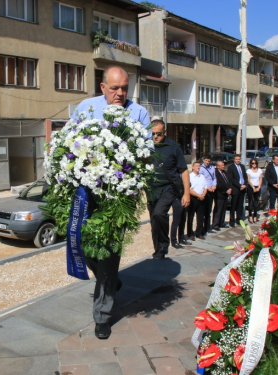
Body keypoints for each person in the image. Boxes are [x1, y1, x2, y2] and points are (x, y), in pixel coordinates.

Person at [71, 66, 150, 340]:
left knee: (109, 252)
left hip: (118, 197)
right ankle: (111, 281)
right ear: (102, 87)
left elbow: (146, 154)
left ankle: (102, 315)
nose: (120, 93)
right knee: (81, 244)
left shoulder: (139, 113)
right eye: (114, 88)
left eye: (124, 88)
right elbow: (69, 141)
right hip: (86, 194)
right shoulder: (85, 107)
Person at [147, 119, 190, 255]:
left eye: (159, 134)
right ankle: (158, 249)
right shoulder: (146, 146)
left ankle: (164, 244)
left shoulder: (174, 147)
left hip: (168, 187)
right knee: (154, 220)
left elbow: (184, 170)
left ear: (164, 132)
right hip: (152, 189)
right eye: (153, 134)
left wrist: (187, 193)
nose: (156, 137)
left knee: (159, 213)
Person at [187, 161, 207, 240]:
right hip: (193, 198)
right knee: (191, 217)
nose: (198, 167)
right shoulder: (190, 176)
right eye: (196, 166)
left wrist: (203, 195)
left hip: (202, 198)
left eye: (199, 166)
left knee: (200, 217)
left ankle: (199, 232)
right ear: (193, 167)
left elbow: (205, 186)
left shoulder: (202, 176)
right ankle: (190, 233)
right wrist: (198, 195)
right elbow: (189, 189)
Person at [227, 154, 247, 227]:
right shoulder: (231, 167)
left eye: (239, 159)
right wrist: (239, 185)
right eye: (236, 159)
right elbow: (231, 179)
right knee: (233, 206)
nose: (238, 160)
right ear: (234, 160)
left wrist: (244, 184)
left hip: (242, 189)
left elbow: (245, 176)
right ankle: (232, 221)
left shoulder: (242, 166)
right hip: (236, 189)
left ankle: (239, 219)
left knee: (240, 206)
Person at [199, 155, 217, 236]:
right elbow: (201, 179)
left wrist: (214, 185)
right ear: (203, 160)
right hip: (205, 190)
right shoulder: (201, 168)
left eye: (209, 161)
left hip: (211, 190)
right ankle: (201, 228)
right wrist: (207, 187)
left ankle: (207, 227)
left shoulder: (212, 167)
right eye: (206, 160)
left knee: (209, 211)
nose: (207, 162)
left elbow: (214, 178)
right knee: (203, 210)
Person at [212, 161, 232, 230]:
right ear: (217, 166)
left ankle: (221, 222)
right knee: (218, 209)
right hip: (219, 194)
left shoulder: (224, 172)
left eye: (223, 165)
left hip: (225, 194)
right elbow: (218, 184)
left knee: (223, 209)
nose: (223, 166)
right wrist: (225, 190)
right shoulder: (216, 173)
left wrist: (229, 188)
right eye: (222, 165)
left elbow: (228, 181)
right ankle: (215, 224)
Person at [246, 158, 263, 223]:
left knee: (256, 202)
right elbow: (249, 180)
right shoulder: (249, 171)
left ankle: (255, 215)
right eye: (253, 163)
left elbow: (260, 179)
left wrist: (259, 187)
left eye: (255, 163)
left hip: (257, 186)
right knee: (250, 202)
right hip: (251, 187)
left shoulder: (259, 170)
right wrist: (253, 187)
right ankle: (250, 215)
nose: (254, 164)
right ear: (251, 164)